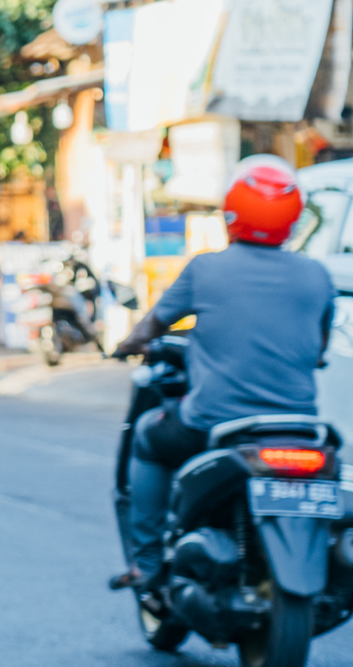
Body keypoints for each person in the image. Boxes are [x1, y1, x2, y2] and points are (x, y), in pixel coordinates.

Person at [110, 156, 335, 589]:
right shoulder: (316, 276)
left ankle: (148, 562)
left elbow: (153, 325)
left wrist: (128, 344)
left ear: (232, 211)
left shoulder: (206, 269)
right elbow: (320, 348)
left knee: (146, 437)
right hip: (298, 429)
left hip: (213, 423)